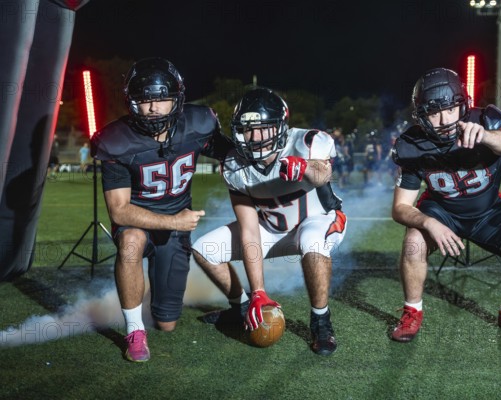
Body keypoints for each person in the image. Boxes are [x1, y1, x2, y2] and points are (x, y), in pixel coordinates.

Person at [390, 67, 501, 342]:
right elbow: (401, 207)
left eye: (450, 108)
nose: (443, 120)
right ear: (420, 115)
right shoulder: (411, 144)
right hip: (441, 211)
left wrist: (486, 136)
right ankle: (412, 311)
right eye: (433, 112)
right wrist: (429, 223)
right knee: (414, 242)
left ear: (463, 104)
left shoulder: (486, 118)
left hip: (487, 211)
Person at [91, 57, 231, 362]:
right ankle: (134, 331)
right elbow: (119, 212)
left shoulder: (197, 124)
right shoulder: (117, 140)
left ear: (176, 99)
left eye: (162, 99)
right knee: (129, 244)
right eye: (144, 100)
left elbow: (229, 153)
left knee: (167, 323)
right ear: (131, 102)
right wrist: (174, 221)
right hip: (138, 219)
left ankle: (164, 303)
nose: (153, 108)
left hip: (174, 227)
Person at [191, 87, 347, 356]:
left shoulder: (306, 142)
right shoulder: (234, 166)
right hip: (270, 230)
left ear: (281, 127)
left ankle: (321, 321)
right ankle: (240, 308)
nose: (256, 137)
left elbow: (323, 174)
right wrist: (258, 292)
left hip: (319, 221)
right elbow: (249, 230)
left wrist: (305, 167)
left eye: (264, 128)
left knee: (312, 240)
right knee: (204, 249)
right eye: (249, 129)